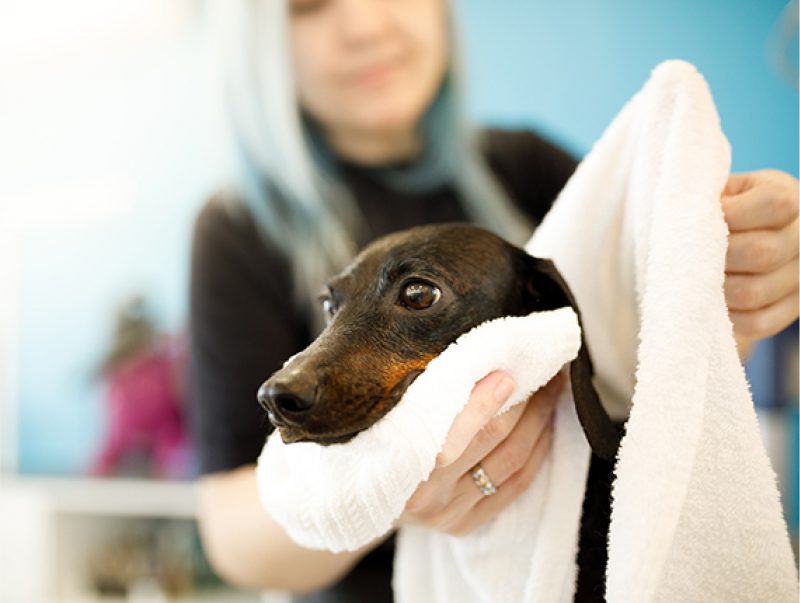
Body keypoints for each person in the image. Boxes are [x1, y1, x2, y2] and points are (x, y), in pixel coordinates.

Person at [189, 1, 800, 601]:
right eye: (309, 5)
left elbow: (645, 354)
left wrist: (730, 286)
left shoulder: (527, 167)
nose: (365, 25)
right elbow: (234, 541)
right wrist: (391, 488)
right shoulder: (239, 230)